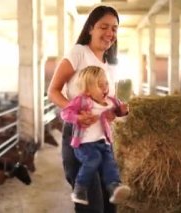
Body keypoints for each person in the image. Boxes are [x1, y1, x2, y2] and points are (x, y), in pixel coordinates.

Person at [47, 5, 122, 213]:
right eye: (104, 27)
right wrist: (77, 114)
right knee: (92, 205)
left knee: (110, 205)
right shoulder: (79, 53)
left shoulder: (111, 66)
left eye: (114, 29)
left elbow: (108, 107)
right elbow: (53, 90)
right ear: (90, 28)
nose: (110, 33)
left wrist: (114, 112)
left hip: (103, 141)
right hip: (78, 138)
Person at [60, 66, 131, 205]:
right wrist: (78, 118)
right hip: (84, 144)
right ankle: (80, 189)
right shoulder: (82, 101)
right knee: (93, 159)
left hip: (103, 142)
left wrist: (123, 111)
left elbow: (119, 111)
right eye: (100, 85)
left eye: (106, 84)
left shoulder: (111, 101)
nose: (105, 88)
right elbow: (65, 113)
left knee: (110, 163)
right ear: (87, 90)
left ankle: (114, 188)